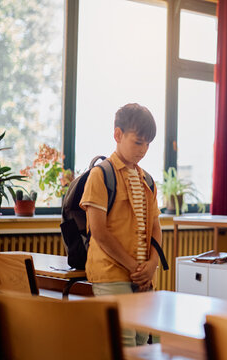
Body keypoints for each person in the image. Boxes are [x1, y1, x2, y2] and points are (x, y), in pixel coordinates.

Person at [80, 103, 162, 346]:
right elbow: (99, 232)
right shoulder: (101, 175)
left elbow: (155, 226)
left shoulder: (147, 179)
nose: (144, 150)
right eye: (138, 142)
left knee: (141, 339)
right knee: (123, 342)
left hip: (142, 276)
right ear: (118, 135)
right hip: (111, 274)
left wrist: (152, 264)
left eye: (148, 143)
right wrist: (134, 268)